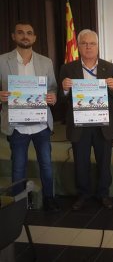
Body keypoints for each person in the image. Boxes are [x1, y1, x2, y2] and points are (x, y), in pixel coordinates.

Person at [60, 29, 113, 211]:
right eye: (84, 43)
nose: (88, 47)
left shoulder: (110, 68)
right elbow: (60, 98)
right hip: (79, 124)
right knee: (81, 161)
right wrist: (64, 89)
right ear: (78, 46)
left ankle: (103, 194)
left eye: (92, 43)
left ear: (98, 46)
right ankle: (83, 194)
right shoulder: (68, 68)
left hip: (103, 124)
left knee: (104, 162)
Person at [0, 21, 59, 211]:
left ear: (34, 38)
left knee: (47, 166)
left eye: (29, 33)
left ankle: (49, 199)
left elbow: (52, 88)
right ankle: (18, 204)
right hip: (16, 125)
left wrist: (53, 97)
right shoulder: (2, 61)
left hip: (41, 124)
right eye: (20, 33)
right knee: (18, 167)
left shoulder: (46, 62)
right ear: (13, 36)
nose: (25, 36)